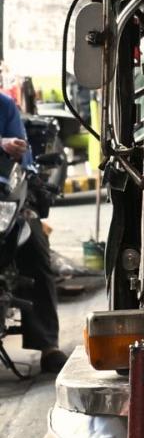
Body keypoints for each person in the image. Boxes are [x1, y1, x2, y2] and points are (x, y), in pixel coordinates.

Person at [0, 90, 66, 375]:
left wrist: (16, 151)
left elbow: (23, 157)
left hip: (6, 198)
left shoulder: (5, 106)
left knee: (36, 249)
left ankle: (47, 344)